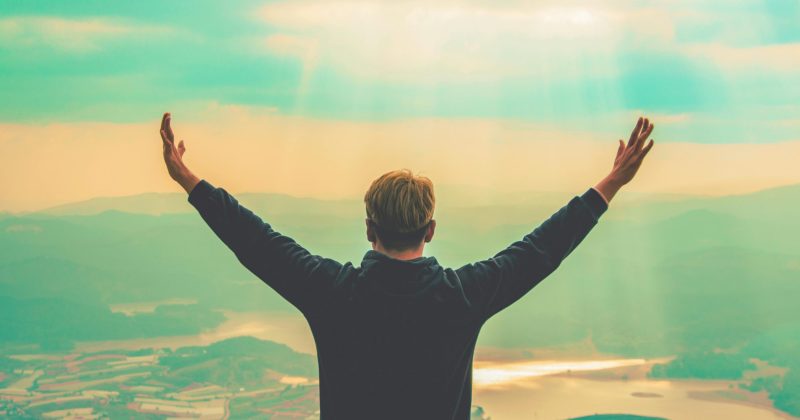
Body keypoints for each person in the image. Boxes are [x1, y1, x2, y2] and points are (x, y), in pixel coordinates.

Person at [159, 113, 655, 419]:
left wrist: (190, 182)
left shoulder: (331, 292)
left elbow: (257, 242)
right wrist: (609, 184)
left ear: (368, 227)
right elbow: (542, 249)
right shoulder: (463, 296)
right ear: (430, 230)